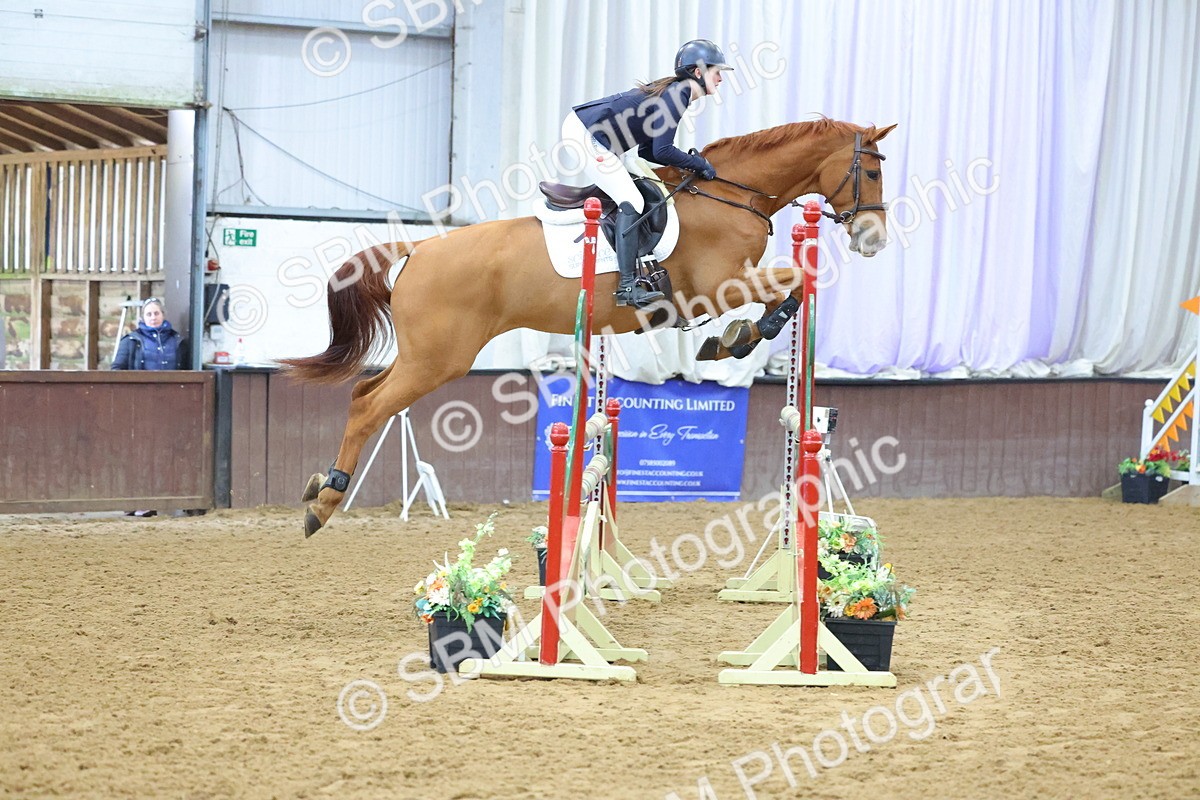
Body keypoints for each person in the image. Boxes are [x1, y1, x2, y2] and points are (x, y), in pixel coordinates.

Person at [563, 39, 732, 308]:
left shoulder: (677, 93)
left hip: (591, 131)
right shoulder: (678, 95)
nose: (721, 78)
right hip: (586, 134)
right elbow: (663, 151)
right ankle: (627, 286)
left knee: (638, 188)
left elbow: (648, 151)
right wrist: (698, 164)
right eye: (717, 72)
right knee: (633, 200)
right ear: (698, 73)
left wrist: (691, 162)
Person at [111, 298, 189, 371]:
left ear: (163, 315)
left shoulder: (177, 340)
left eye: (156, 313)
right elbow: (117, 370)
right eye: (149, 314)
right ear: (143, 318)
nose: (153, 318)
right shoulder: (131, 341)